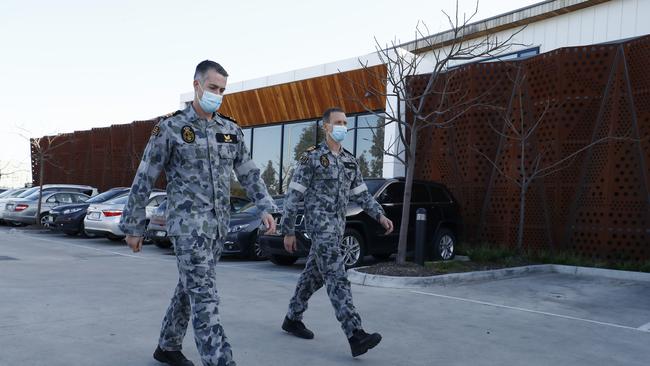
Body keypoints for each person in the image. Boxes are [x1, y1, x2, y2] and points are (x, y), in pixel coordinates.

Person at [119, 60, 277, 366]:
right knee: (205, 297)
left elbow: (248, 172)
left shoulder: (230, 130)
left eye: (222, 90)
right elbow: (145, 176)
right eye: (213, 88)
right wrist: (134, 226)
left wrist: (265, 206)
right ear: (197, 85)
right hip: (187, 228)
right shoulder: (171, 128)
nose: (217, 94)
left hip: (218, 227)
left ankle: (167, 345)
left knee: (189, 287)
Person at [280, 107, 394, 357]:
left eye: (345, 121)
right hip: (320, 230)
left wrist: (380, 215)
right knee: (337, 277)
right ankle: (356, 334)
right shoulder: (311, 158)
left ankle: (292, 317)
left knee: (313, 276)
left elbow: (362, 194)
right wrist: (287, 230)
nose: (343, 125)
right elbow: (293, 195)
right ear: (326, 126)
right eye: (338, 122)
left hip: (337, 229)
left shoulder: (350, 160)